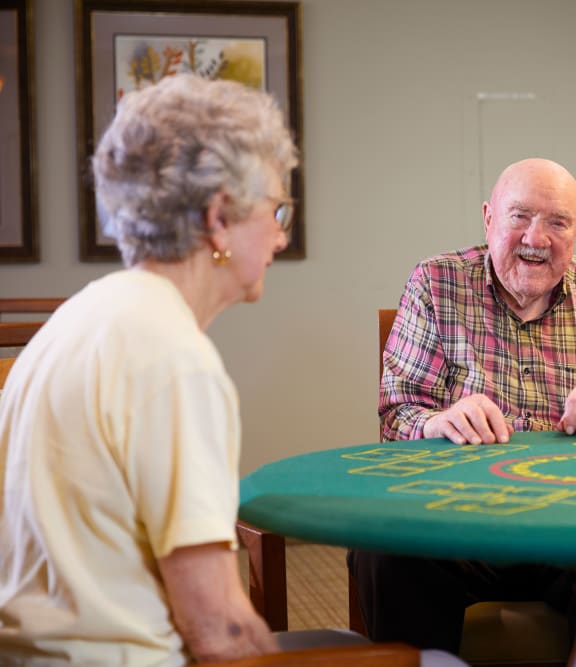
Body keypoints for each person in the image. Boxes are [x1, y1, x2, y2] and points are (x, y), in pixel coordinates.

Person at [0, 74, 466, 667]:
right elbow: (218, 632)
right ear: (219, 218)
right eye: (276, 208)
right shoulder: (173, 359)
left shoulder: (83, 315)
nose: (278, 234)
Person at [350, 158, 576, 653]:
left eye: (557, 222)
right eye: (519, 216)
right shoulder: (436, 283)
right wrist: (438, 421)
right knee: (382, 546)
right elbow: (397, 415)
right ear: (488, 217)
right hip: (459, 523)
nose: (536, 238)